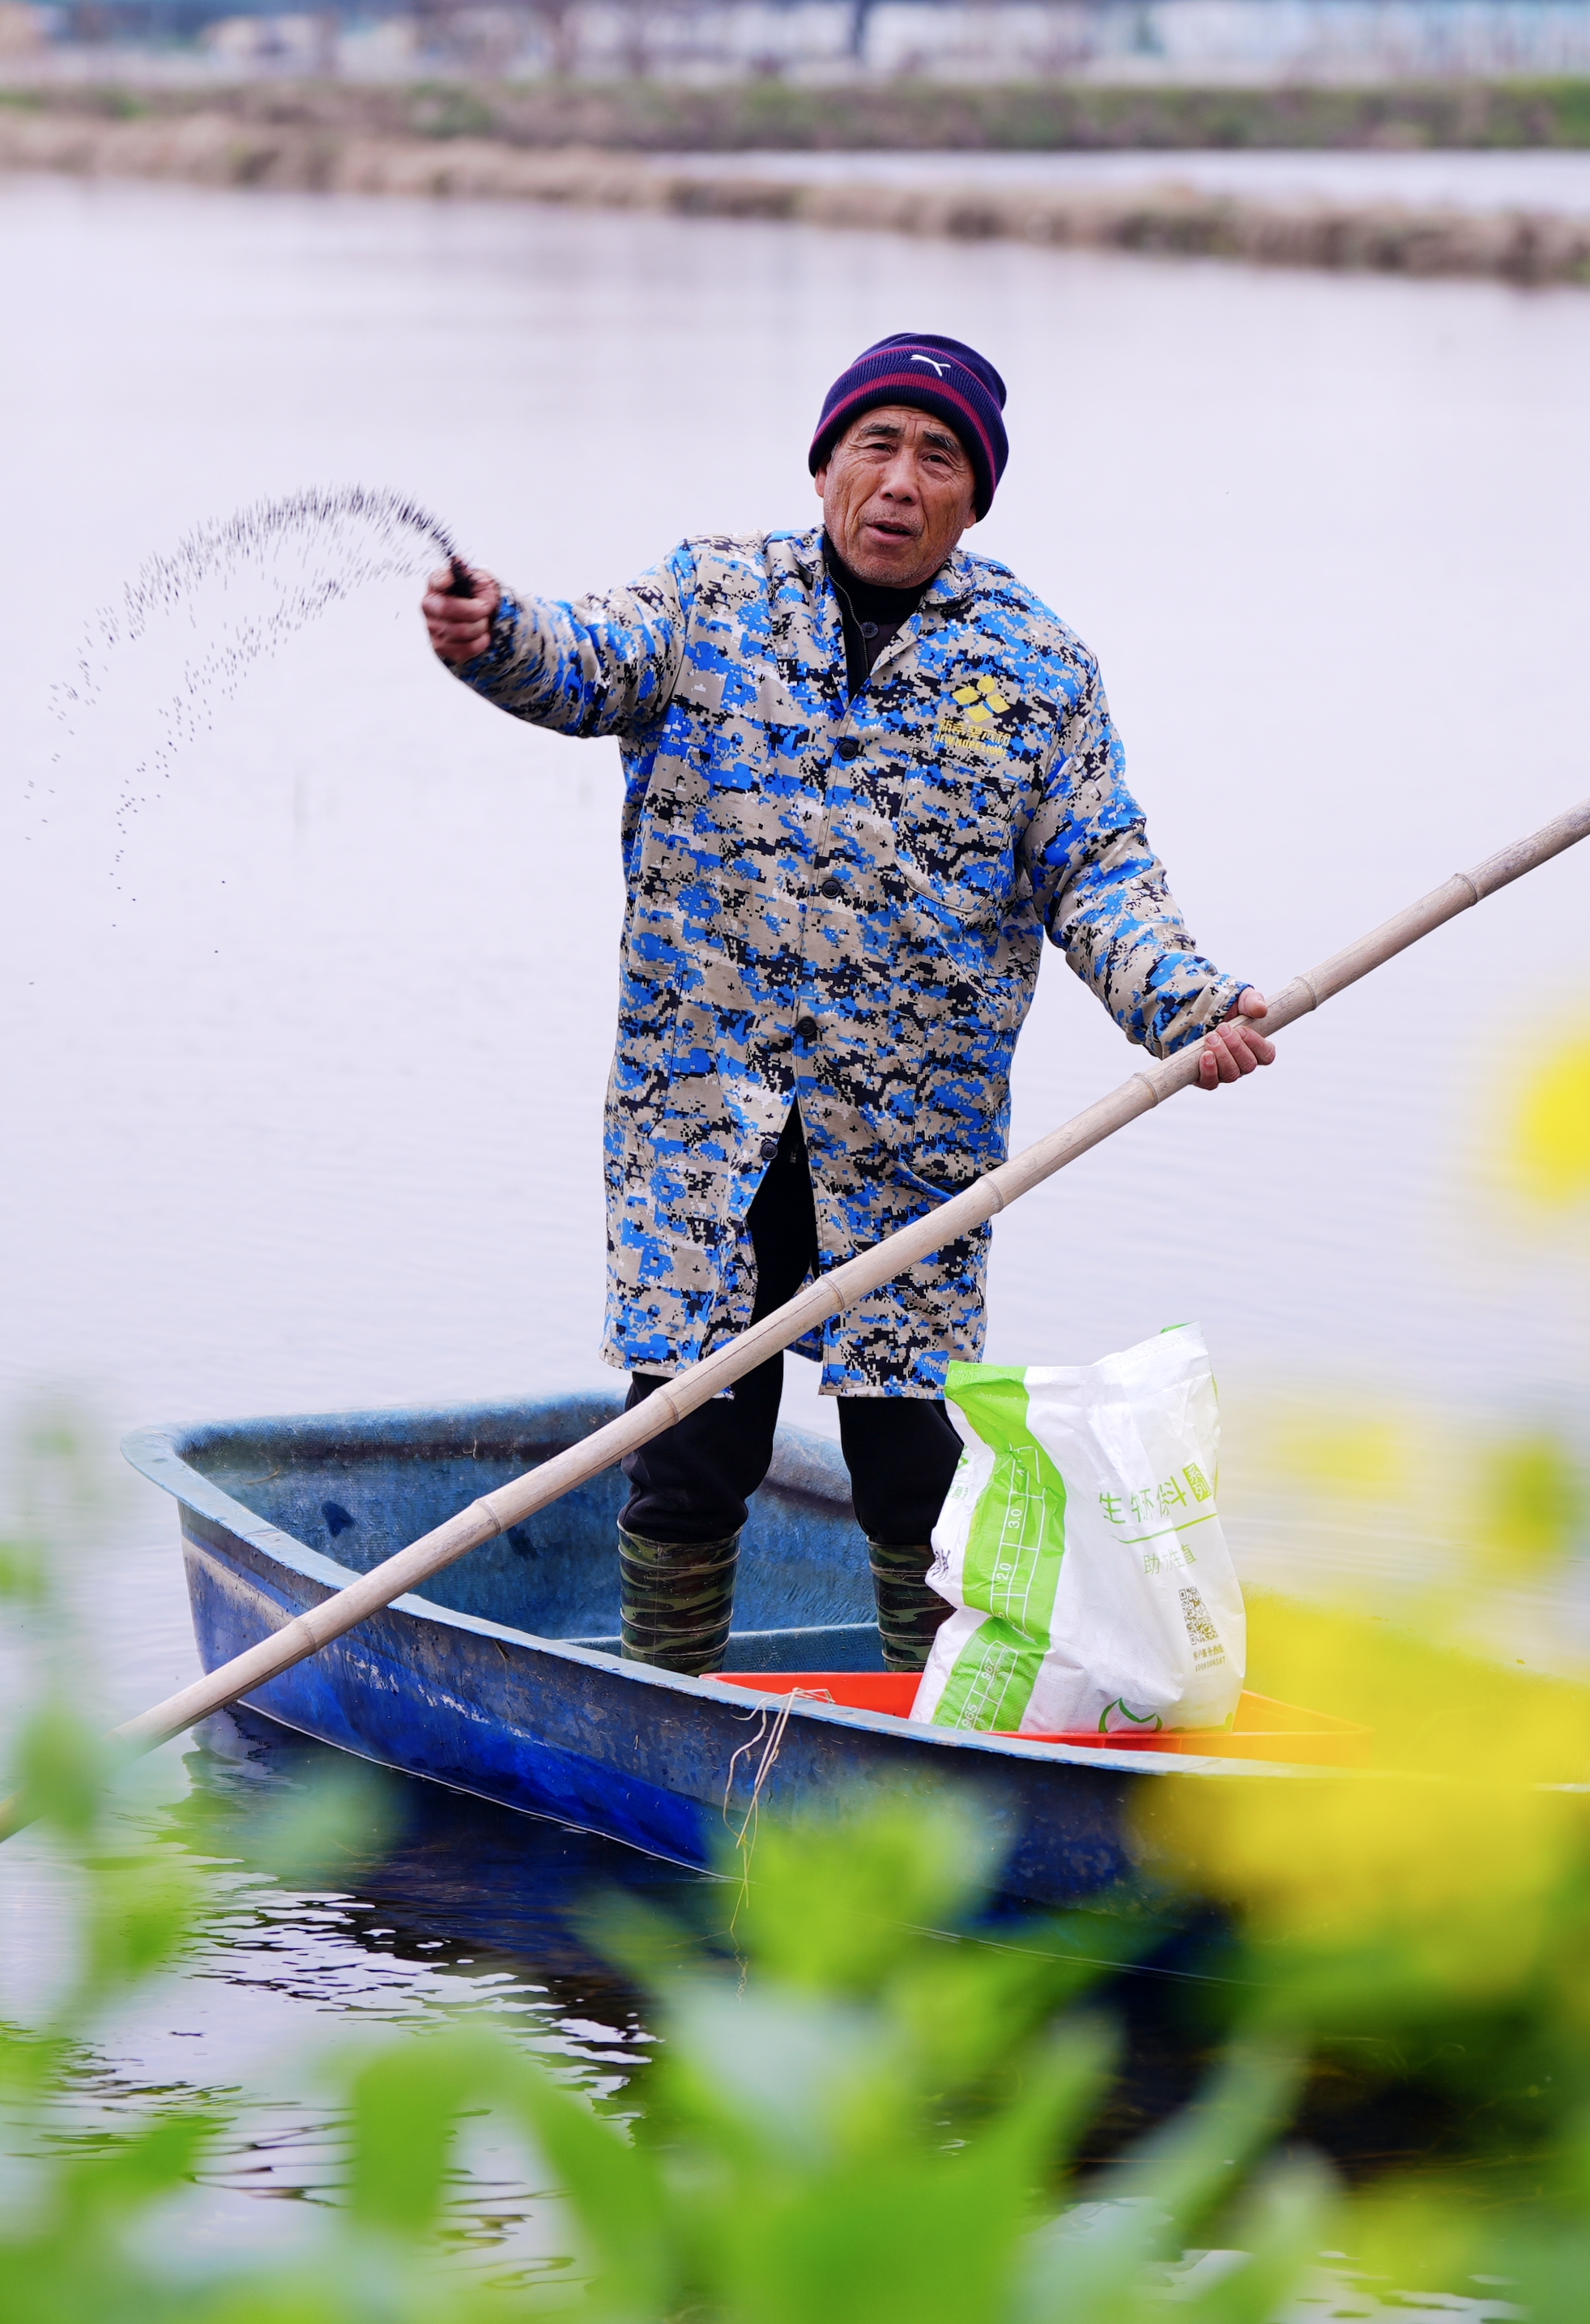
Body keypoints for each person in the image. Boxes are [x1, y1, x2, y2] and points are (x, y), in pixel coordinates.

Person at [419, 330, 1276, 1681]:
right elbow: (579, 661)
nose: (900, 481)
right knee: (689, 1442)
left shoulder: (1037, 670)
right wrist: (493, 635)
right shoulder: (711, 599)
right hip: (704, 1118)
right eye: (876, 445)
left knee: (910, 1463)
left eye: (939, 459)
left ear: (974, 500)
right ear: (823, 466)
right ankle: (668, 1709)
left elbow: (1101, 871)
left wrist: (1188, 1006)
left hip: (909, 1142)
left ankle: (924, 1730)